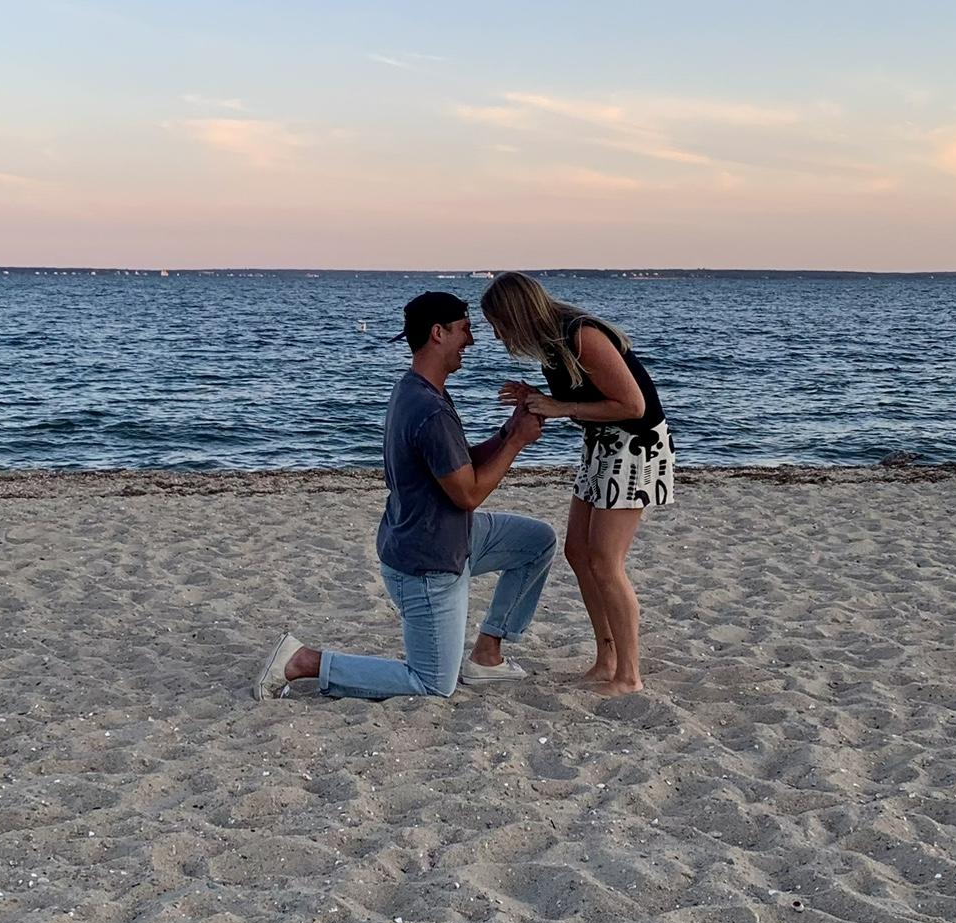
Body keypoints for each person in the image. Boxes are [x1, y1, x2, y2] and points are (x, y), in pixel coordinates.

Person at [253, 290, 556, 700]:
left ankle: (487, 656)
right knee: (431, 683)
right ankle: (305, 661)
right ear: (438, 333)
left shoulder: (416, 389)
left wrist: (507, 431)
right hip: (428, 562)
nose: (471, 341)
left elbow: (457, 464)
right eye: (465, 330)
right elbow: (468, 494)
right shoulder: (429, 409)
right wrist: (517, 442)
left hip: (449, 537)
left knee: (537, 542)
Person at [482, 272, 673, 695]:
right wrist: (538, 397)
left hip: (634, 447)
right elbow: (586, 396)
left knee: (605, 561)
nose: (496, 335)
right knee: (578, 552)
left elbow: (633, 405)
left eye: (498, 323)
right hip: (602, 445)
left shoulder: (581, 334)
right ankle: (607, 660)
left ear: (516, 314)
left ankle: (629, 676)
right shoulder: (553, 345)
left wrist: (560, 406)